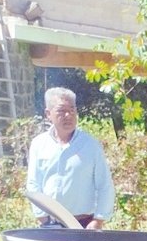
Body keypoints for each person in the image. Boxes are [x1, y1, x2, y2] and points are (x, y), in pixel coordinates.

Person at [26, 87, 115, 230]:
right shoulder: (39, 144)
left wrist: (98, 220)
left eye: (72, 110)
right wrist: (41, 217)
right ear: (48, 114)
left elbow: (105, 185)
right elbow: (33, 183)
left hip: (84, 224)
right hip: (50, 224)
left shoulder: (90, 145)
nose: (68, 115)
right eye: (61, 111)